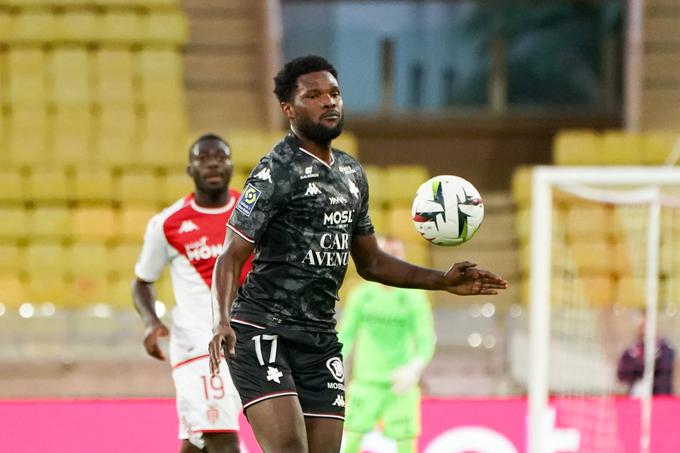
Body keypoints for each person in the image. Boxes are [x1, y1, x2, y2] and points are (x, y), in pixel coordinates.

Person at [208, 55, 507, 453]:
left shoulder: (351, 174)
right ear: (289, 108)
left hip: (319, 339)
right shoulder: (275, 171)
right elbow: (230, 254)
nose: (329, 102)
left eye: (334, 93)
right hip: (263, 329)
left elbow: (372, 263)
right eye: (313, 95)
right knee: (290, 449)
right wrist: (221, 321)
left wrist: (443, 281)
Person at [133, 134, 252, 453]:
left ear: (230, 166)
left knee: (197, 442)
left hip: (246, 340)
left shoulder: (252, 214)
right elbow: (142, 281)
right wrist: (151, 322)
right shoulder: (168, 223)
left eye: (220, 157)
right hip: (197, 345)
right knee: (223, 438)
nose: (212, 163)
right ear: (190, 168)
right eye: (203, 158)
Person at [339, 237, 435, 453]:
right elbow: (345, 337)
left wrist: (414, 369)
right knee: (351, 439)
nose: (390, 259)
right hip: (365, 383)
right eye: (385, 253)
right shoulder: (361, 296)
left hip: (401, 384)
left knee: (406, 443)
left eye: (396, 254)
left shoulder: (414, 298)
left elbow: (426, 339)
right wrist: (334, 371)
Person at [616, 311, 675, 396]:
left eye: (646, 326)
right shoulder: (631, 351)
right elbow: (622, 374)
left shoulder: (665, 349)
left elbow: (663, 369)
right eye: (641, 327)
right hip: (636, 398)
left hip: (660, 398)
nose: (643, 331)